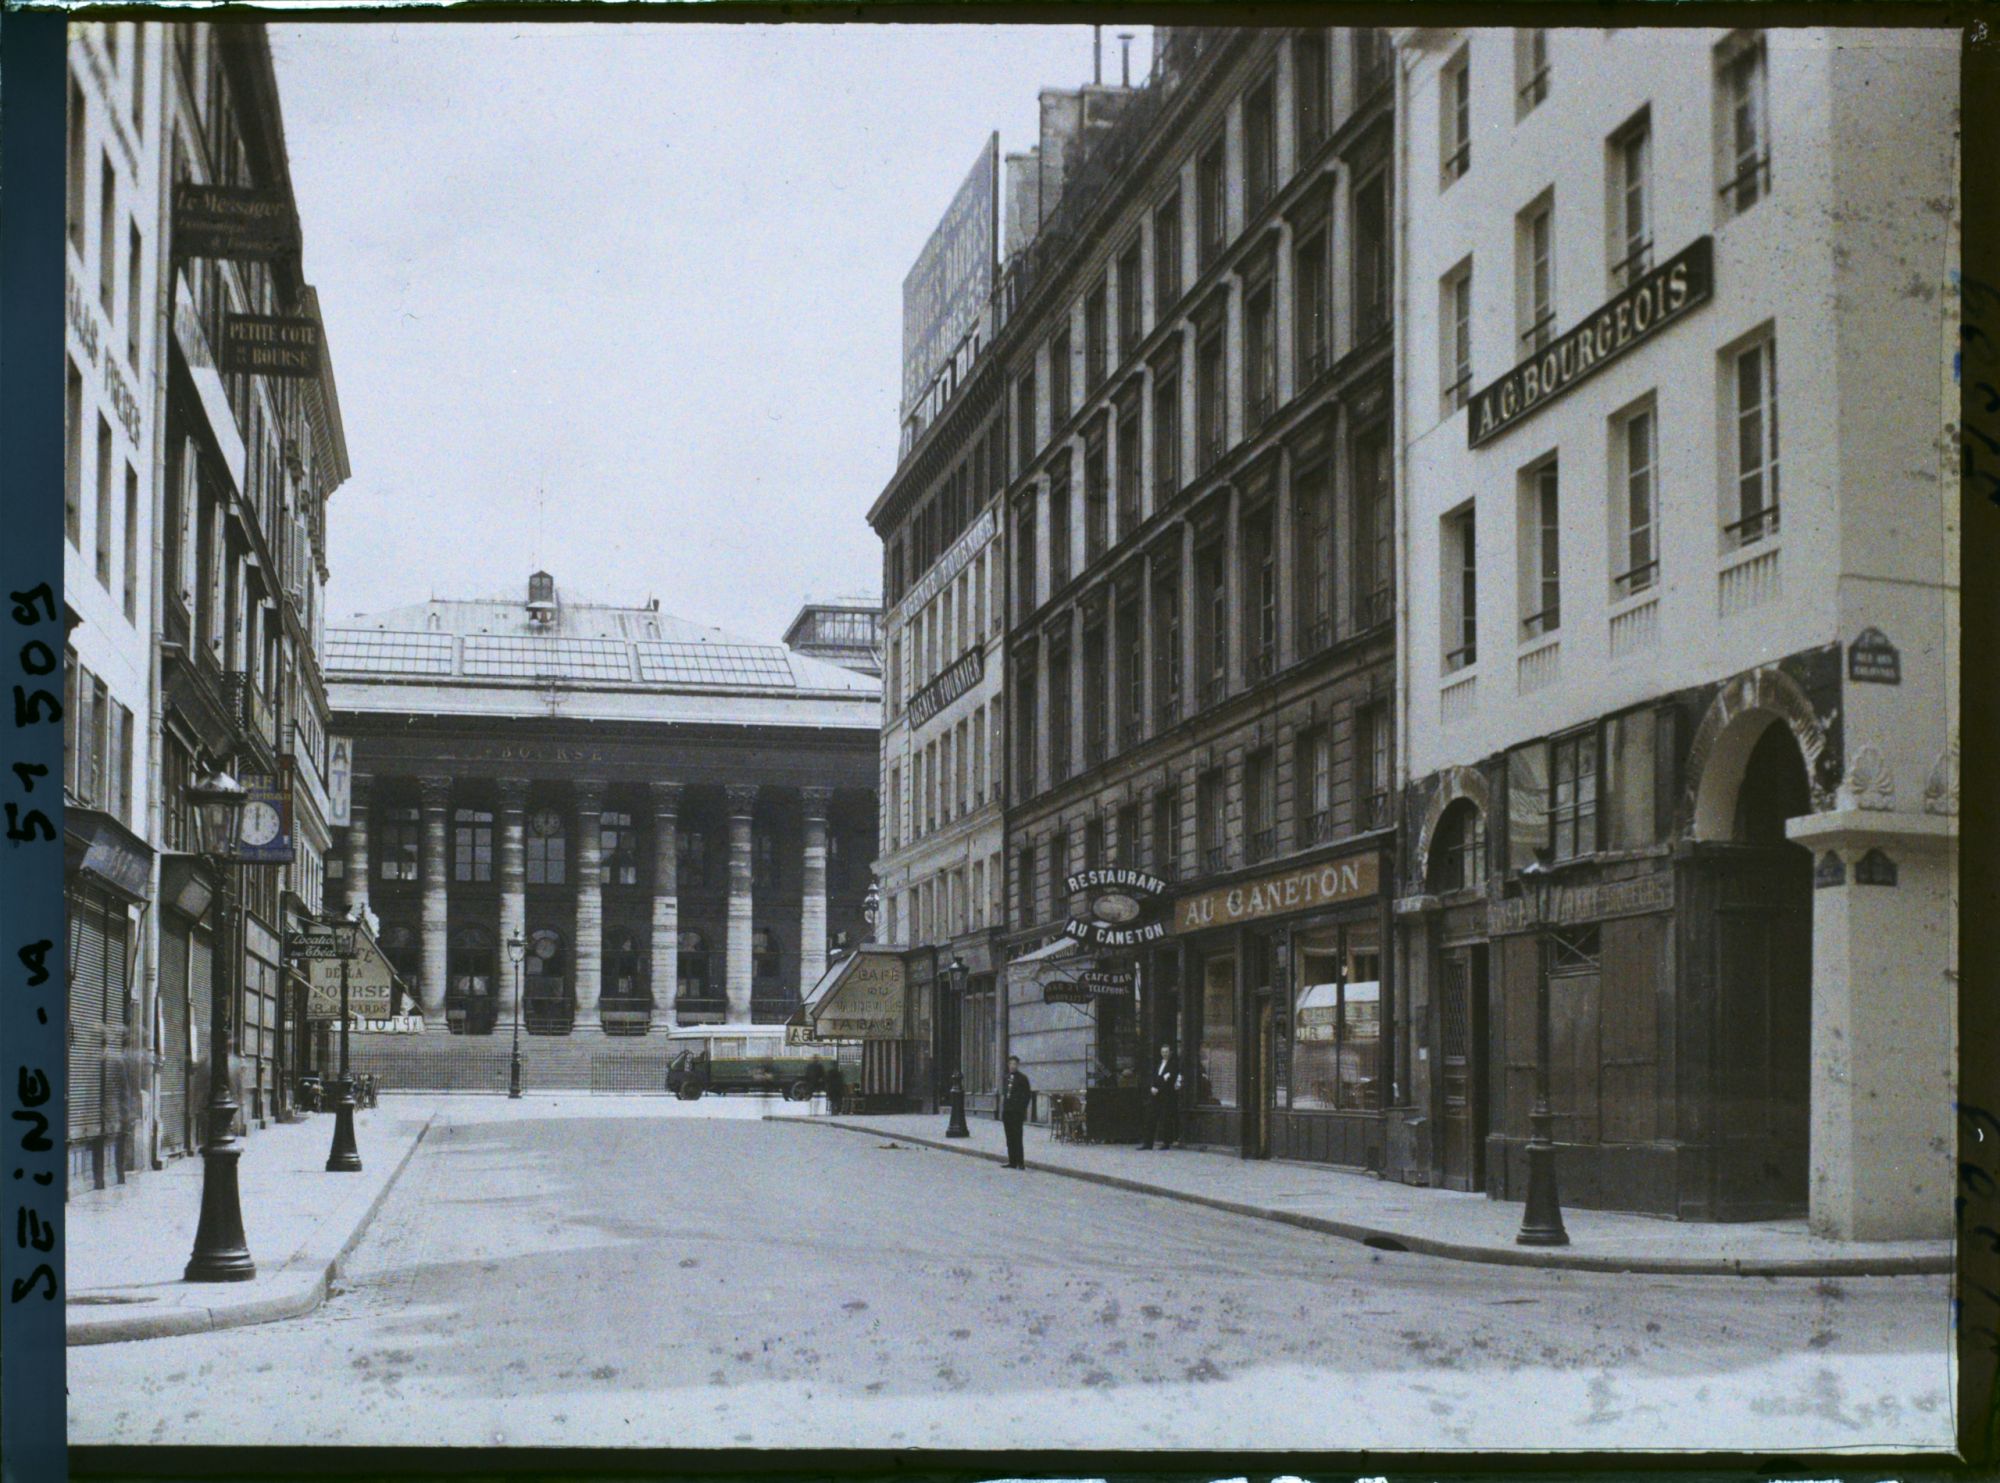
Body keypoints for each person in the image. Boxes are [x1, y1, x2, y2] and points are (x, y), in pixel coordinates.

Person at [1138, 1042, 1182, 1150]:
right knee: (1150, 1117)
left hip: (1166, 1095)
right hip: (1155, 1095)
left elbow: (1168, 1080)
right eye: (1163, 1052)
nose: (1164, 1054)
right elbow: (1156, 1077)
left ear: (1170, 1053)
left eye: (1166, 1052)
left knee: (1165, 1119)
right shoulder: (1159, 1063)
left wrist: (1158, 1088)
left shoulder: (1173, 1065)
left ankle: (1166, 1142)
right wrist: (1152, 1087)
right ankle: (1148, 1143)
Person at [1000, 1055, 1032, 1169]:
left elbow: (1027, 1095)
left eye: (1015, 1064)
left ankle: (1020, 1162)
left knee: (1017, 1137)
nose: (1012, 1066)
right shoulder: (1006, 1078)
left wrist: (1022, 1109)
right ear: (1008, 1065)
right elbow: (1004, 1095)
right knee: (1009, 1138)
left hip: (1017, 1112)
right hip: (1007, 1112)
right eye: (1011, 1064)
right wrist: (1003, 1110)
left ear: (1017, 1065)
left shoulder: (1023, 1079)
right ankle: (1012, 1161)